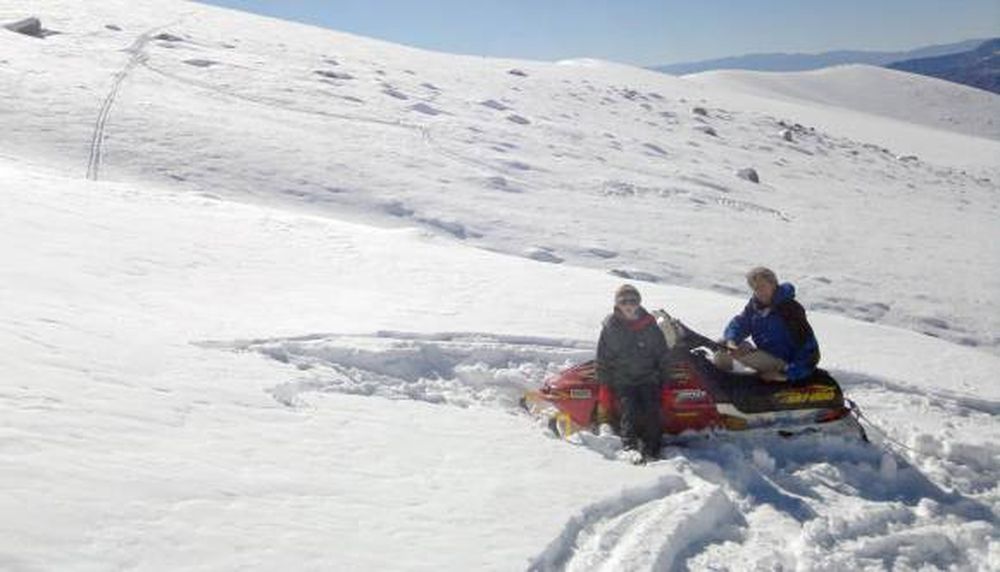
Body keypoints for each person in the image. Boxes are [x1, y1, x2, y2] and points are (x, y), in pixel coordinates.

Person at [596, 284, 672, 461]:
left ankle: (652, 449)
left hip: (648, 378)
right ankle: (630, 447)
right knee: (629, 411)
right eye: (624, 301)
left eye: (633, 301)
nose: (629, 305)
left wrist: (665, 381)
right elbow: (603, 358)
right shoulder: (610, 327)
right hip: (624, 379)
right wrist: (605, 385)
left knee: (653, 410)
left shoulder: (650, 325)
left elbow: (662, 354)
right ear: (617, 304)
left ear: (639, 303)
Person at [716, 267, 820, 382]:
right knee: (722, 350)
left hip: (786, 364)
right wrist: (732, 341)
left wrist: (787, 374)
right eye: (755, 288)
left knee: (739, 357)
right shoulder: (756, 305)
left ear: (773, 284)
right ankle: (723, 385)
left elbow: (810, 350)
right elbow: (740, 323)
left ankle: (732, 388)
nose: (759, 292)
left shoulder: (789, 309)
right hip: (764, 355)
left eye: (763, 286)